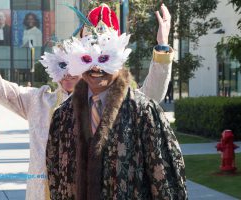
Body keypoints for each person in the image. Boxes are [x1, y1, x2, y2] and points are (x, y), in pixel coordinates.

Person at [0, 0, 173, 199]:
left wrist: (162, 48)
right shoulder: (38, 101)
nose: (68, 74)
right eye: (62, 66)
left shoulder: (114, 101)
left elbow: (150, 97)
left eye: (74, 66)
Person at [46, 3, 187, 200]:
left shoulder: (142, 111)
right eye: (88, 58)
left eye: (104, 57)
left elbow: (165, 182)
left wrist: (162, 45)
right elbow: (56, 179)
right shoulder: (63, 116)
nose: (96, 68)